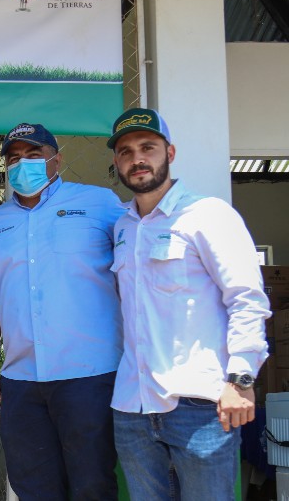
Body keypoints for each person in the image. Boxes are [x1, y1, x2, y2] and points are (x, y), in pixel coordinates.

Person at [107, 108, 270, 499]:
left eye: (148, 147)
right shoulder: (123, 227)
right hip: (134, 408)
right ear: (117, 162)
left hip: (200, 407)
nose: (137, 159)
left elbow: (247, 299)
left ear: (170, 153)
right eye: (126, 152)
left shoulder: (208, 215)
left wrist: (242, 380)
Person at [0, 123, 124, 500]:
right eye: (14, 158)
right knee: (33, 487)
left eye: (34, 155)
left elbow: (135, 274)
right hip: (21, 380)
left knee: (91, 484)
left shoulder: (101, 204)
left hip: (90, 374)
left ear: (57, 159)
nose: (23, 164)